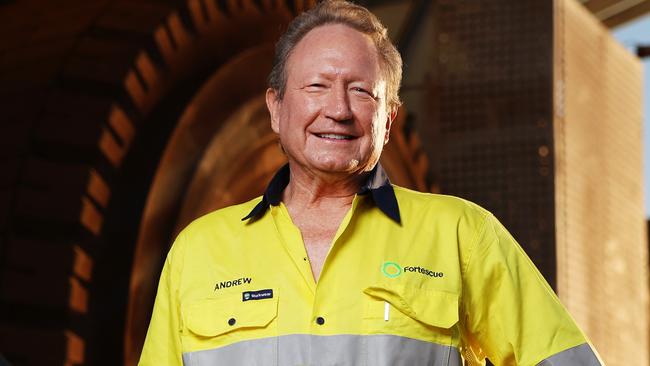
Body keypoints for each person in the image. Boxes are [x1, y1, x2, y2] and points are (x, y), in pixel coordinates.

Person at [138, 1, 604, 365]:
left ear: (388, 119)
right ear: (276, 108)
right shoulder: (197, 252)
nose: (338, 110)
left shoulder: (463, 235)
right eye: (316, 86)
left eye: (361, 91)